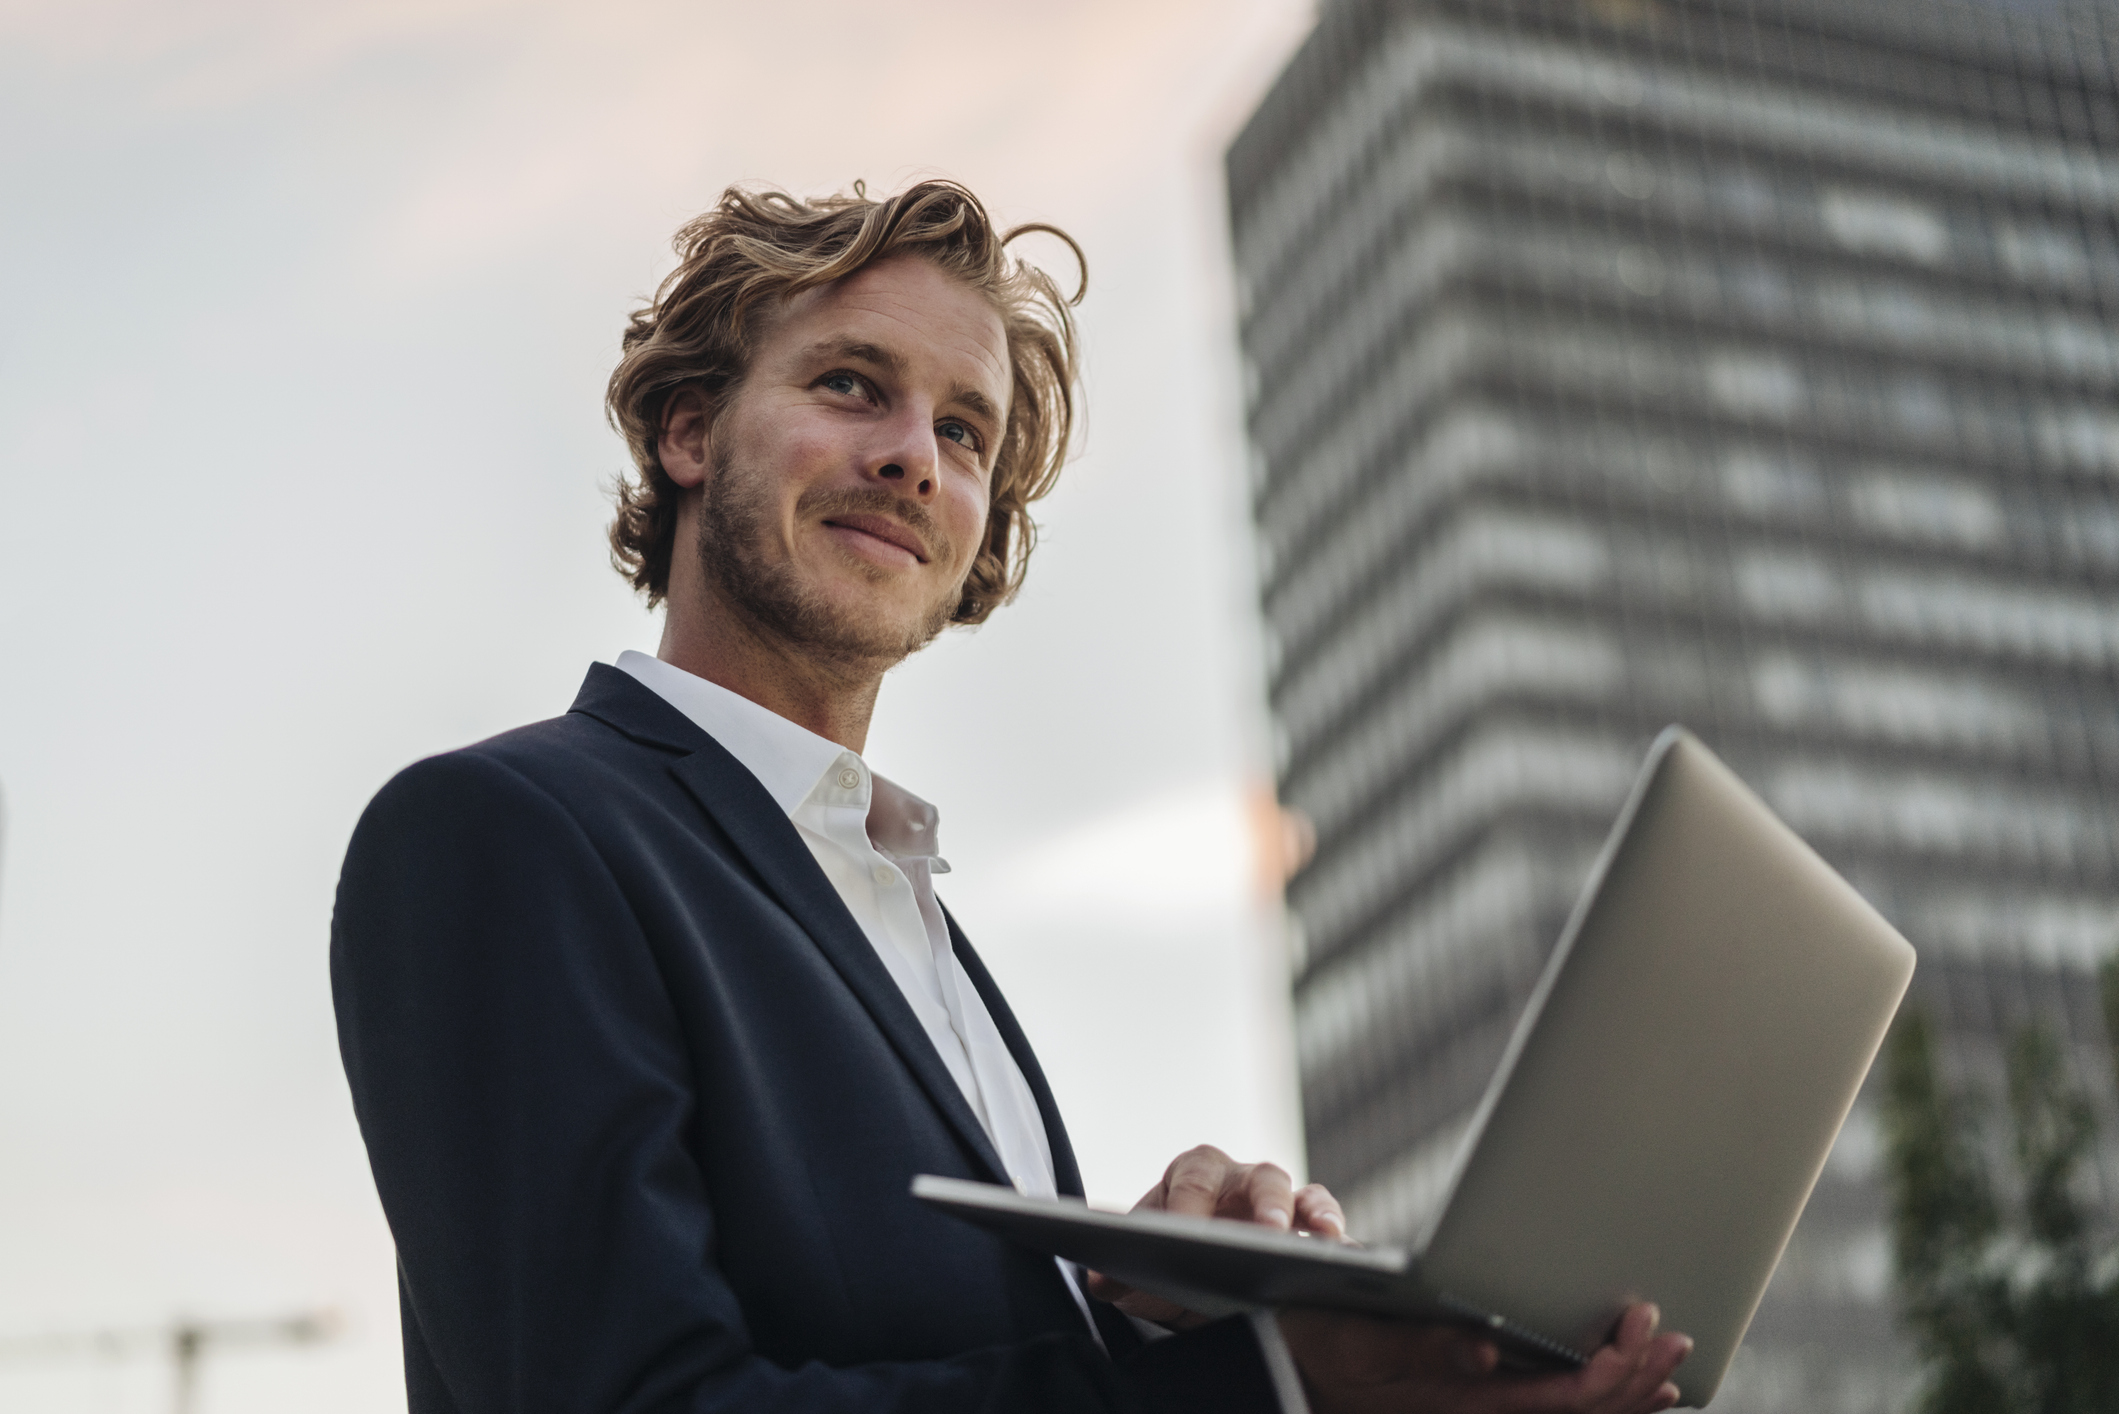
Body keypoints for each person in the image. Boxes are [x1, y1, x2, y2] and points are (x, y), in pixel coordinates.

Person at [330, 179, 1691, 1414]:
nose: (916, 454)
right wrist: (1267, 1383)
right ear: (690, 430)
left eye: (964, 429)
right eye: (855, 385)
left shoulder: (909, 915)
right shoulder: (507, 832)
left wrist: (1161, 1314)